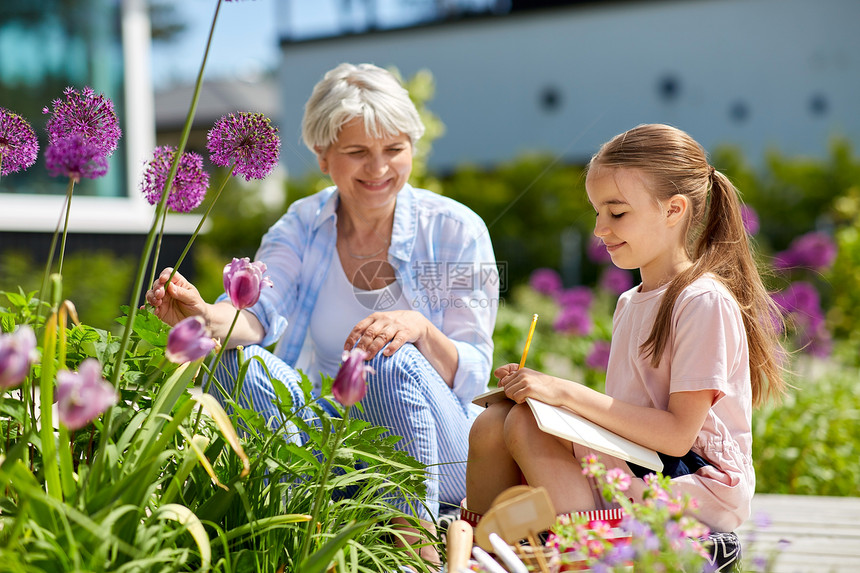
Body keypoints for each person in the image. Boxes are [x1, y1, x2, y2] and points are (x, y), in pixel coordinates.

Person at [146, 63, 499, 563]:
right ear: (322, 157)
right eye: (357, 152)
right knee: (231, 359)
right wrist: (204, 315)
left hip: (444, 450)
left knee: (384, 357)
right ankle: (296, 534)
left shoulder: (455, 230)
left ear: (412, 150)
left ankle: (412, 548)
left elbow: (474, 375)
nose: (379, 169)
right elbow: (254, 315)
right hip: (338, 440)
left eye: (394, 150)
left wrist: (418, 329)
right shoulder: (302, 224)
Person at [465, 123, 786, 535]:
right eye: (598, 213)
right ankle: (483, 550)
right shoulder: (630, 302)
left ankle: (586, 553)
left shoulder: (702, 301)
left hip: (695, 481)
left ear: (674, 210)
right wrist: (542, 392)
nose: (600, 229)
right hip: (642, 460)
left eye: (616, 213)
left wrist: (561, 392)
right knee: (495, 421)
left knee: (526, 422)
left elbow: (675, 436)